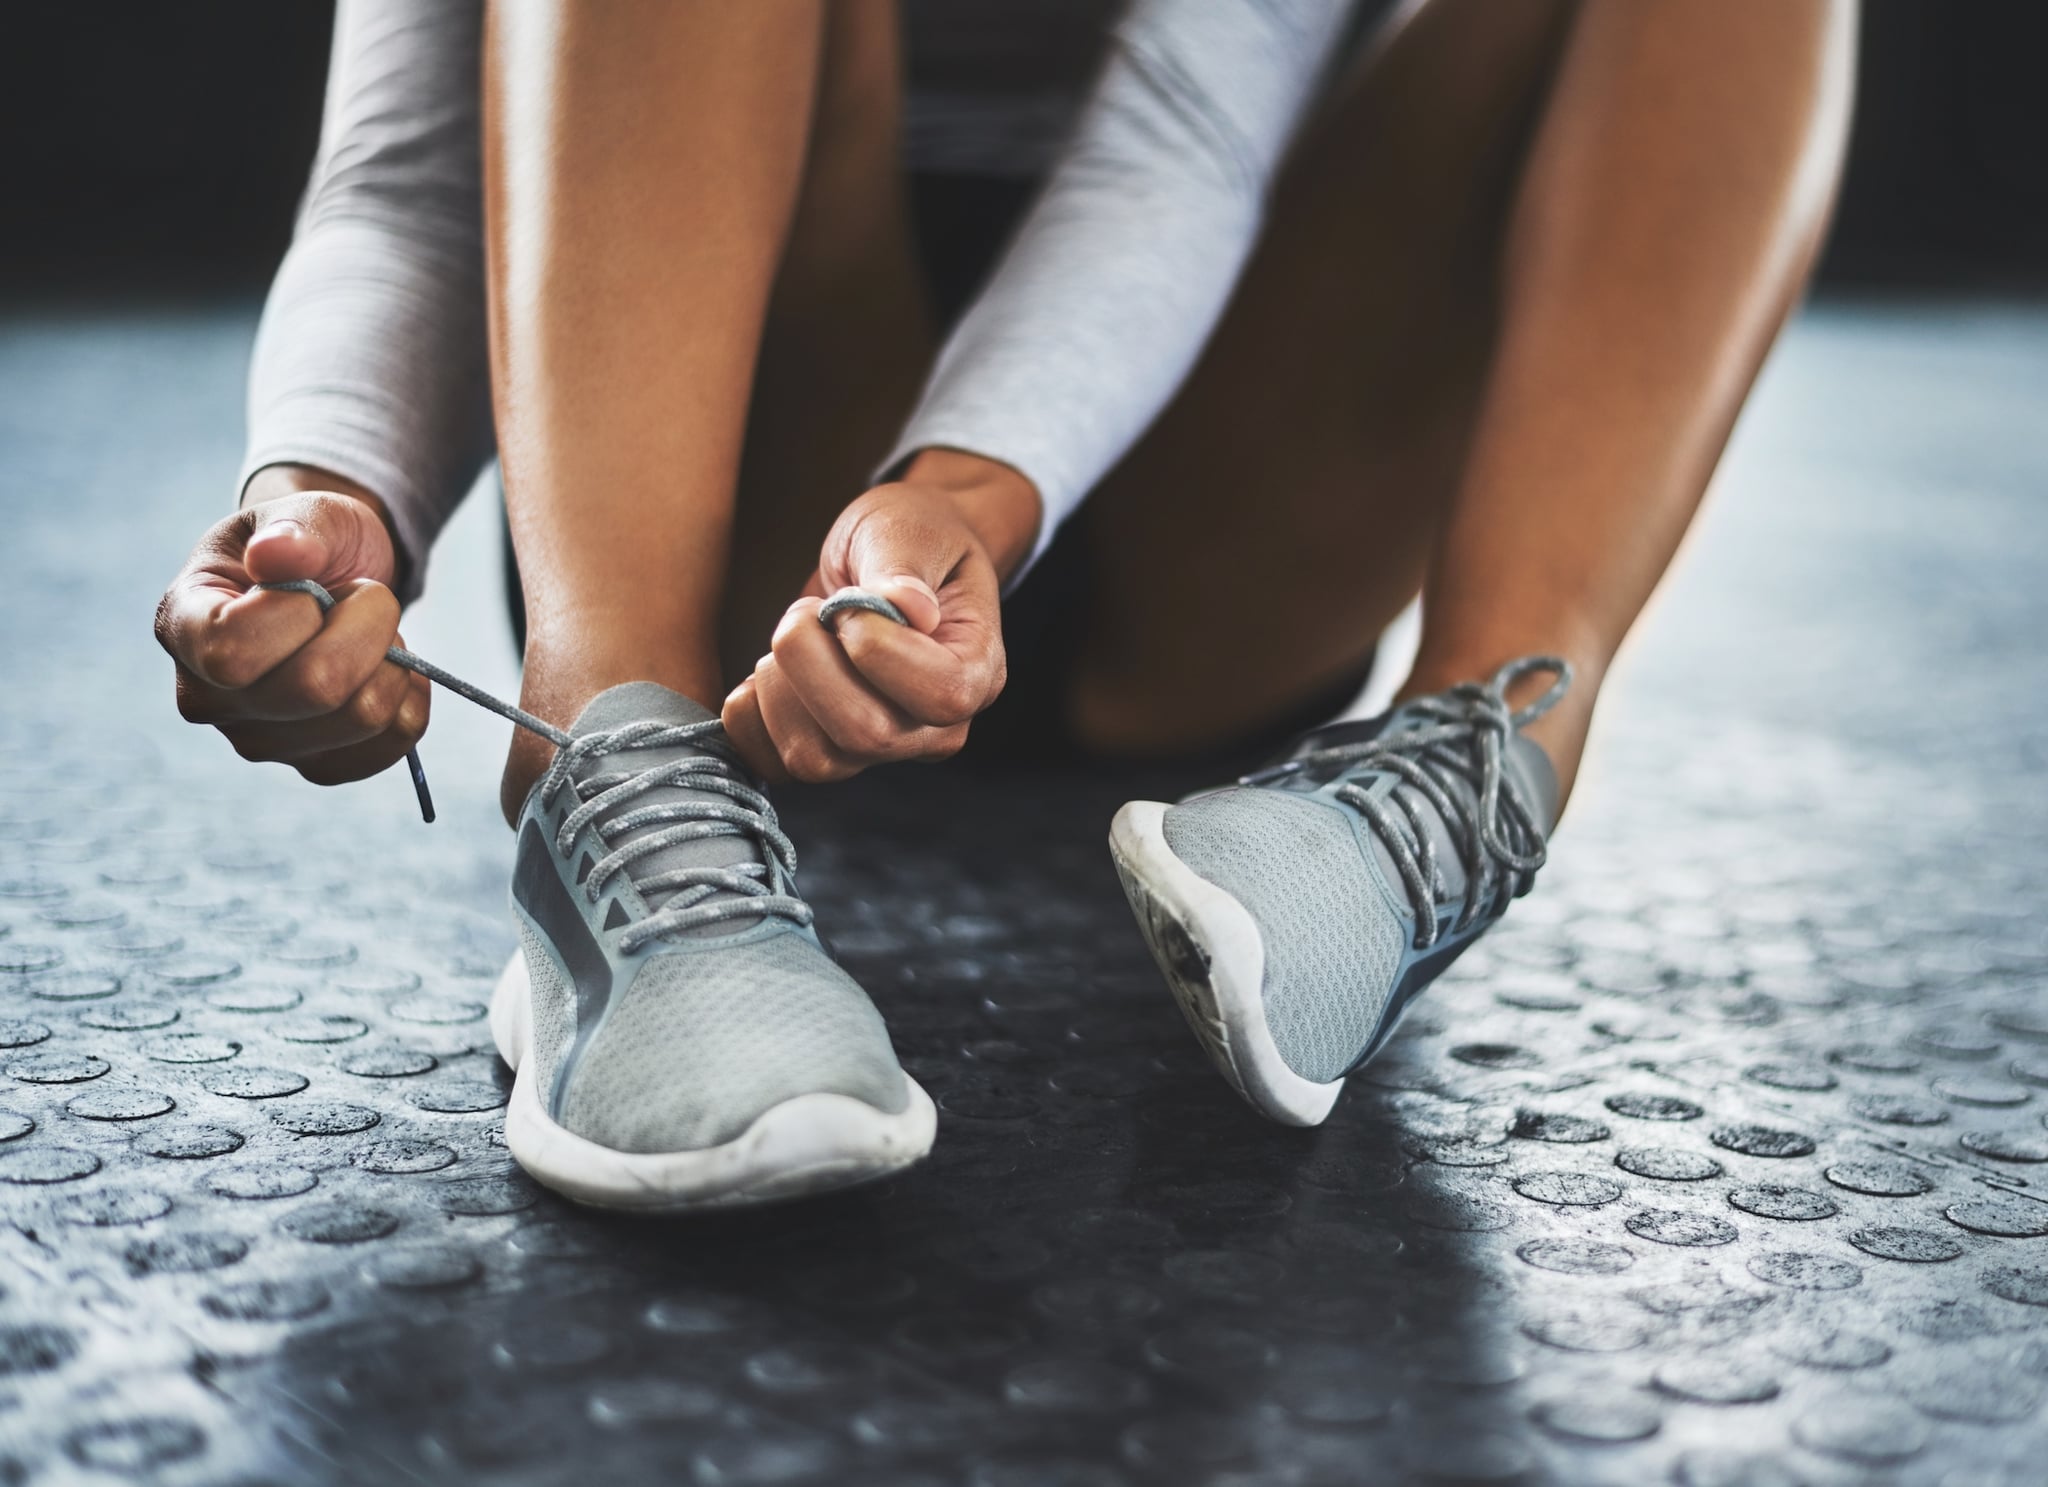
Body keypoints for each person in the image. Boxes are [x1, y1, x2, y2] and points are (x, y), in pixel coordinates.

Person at [154, 0, 1856, 1207]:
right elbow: (406, 172)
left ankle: (1485, 754)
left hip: (1198, 442)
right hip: (724, 433)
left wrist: (968, 493)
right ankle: (616, 752)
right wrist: (321, 501)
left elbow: (1186, 134)